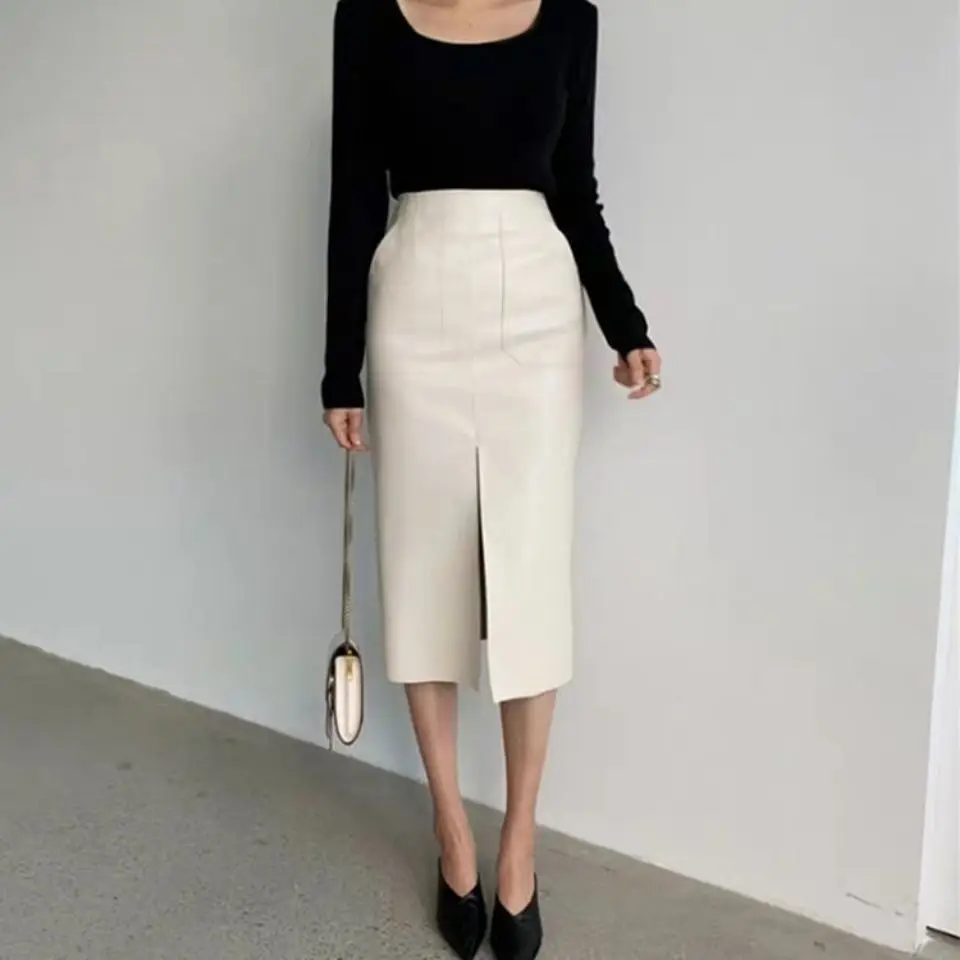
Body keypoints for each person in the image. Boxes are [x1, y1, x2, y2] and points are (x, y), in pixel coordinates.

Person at [321, 0, 661, 956]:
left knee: (528, 575)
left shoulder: (572, 18)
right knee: (423, 568)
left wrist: (624, 322)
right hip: (414, 299)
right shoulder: (367, 16)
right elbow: (355, 188)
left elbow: (575, 186)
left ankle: (519, 844)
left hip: (538, 310)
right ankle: (452, 831)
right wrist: (341, 365)